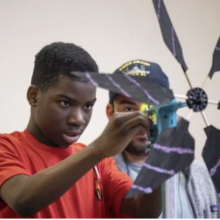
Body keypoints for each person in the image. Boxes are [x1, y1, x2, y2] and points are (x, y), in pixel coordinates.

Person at [0, 43, 161, 218]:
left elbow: (144, 211)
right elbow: (23, 201)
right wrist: (98, 149)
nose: (78, 119)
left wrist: (159, 158)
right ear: (34, 96)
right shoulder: (6, 148)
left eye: (88, 106)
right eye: (65, 103)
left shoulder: (99, 164)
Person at [106, 59, 220, 218]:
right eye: (129, 109)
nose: (143, 119)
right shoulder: (100, 178)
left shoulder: (201, 174)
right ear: (111, 113)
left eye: (153, 107)